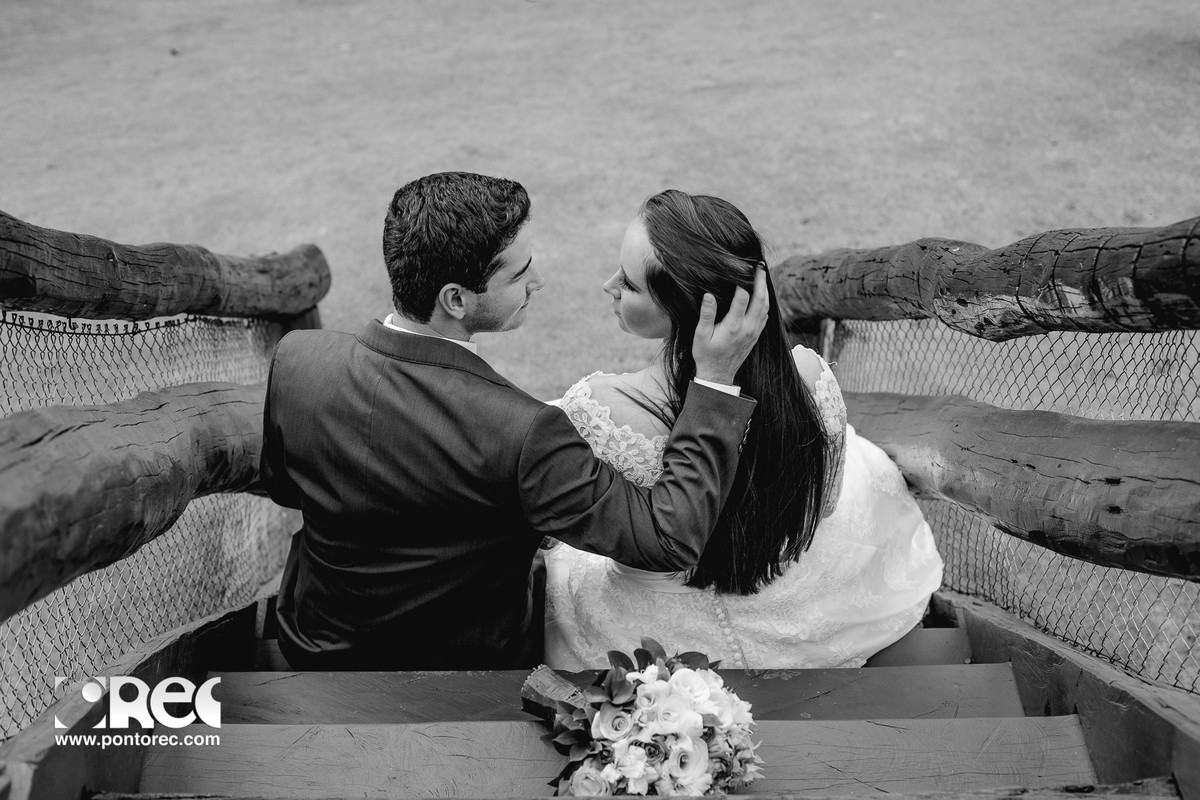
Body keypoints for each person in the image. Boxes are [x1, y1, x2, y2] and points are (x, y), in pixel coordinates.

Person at [260, 172, 769, 670]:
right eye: (519, 273)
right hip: (459, 675)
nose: (538, 280)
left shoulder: (299, 360)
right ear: (456, 300)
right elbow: (667, 537)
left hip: (313, 643)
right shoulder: (522, 432)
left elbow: (286, 487)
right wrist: (713, 382)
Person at [544, 189, 944, 670]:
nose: (608, 285)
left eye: (628, 284)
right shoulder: (810, 381)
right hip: (786, 599)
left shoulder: (600, 409)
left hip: (649, 630)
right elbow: (824, 504)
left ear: (682, 309)